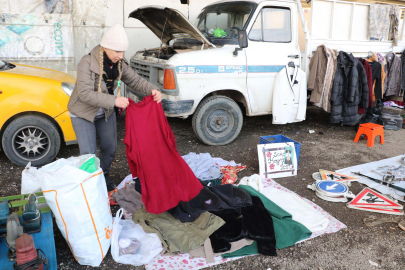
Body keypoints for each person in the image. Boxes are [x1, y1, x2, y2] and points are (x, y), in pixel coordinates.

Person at [68, 24, 161, 191]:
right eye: (117, 51)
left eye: (123, 51)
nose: (121, 55)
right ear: (105, 47)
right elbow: (85, 94)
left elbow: (135, 80)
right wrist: (114, 101)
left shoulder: (119, 63)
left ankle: (103, 175)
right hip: (83, 112)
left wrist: (152, 89)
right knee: (89, 154)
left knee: (110, 146)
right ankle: (90, 183)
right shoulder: (86, 63)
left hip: (105, 110)